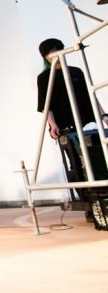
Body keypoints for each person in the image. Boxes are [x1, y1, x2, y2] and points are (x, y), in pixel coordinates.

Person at [36, 38, 108, 205]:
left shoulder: (76, 72)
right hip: (66, 127)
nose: (56, 55)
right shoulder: (44, 78)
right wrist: (53, 125)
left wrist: (104, 116)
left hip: (88, 123)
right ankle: (88, 201)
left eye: (58, 50)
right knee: (77, 163)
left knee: (97, 157)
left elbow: (91, 95)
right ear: (45, 57)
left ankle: (102, 195)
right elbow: (45, 105)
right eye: (51, 53)